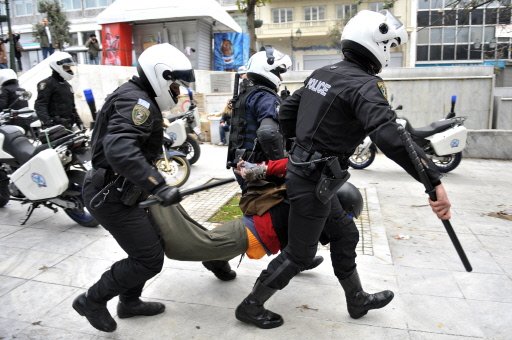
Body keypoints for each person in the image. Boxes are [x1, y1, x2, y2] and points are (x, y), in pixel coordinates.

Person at [235, 10, 452, 329]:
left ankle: (356, 299)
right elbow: (390, 136)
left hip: (314, 177)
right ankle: (251, 305)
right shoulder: (365, 85)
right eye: (388, 46)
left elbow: (287, 114)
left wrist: (303, 147)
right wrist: (432, 182)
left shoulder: (323, 73)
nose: (388, 53)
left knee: (346, 233)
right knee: (299, 254)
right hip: (313, 182)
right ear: (375, 43)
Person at [72, 43, 219, 333]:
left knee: (149, 247)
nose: (177, 91)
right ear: (160, 75)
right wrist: (159, 185)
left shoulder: (137, 96)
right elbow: (119, 148)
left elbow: (123, 137)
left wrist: (155, 142)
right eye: (174, 84)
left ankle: (129, 302)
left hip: (123, 191)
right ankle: (91, 300)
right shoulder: (137, 102)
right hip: (110, 195)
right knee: (149, 259)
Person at [226, 47, 291, 193]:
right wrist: (278, 168)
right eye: (278, 73)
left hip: (242, 162)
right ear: (268, 70)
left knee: (254, 204)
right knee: (273, 207)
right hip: (257, 166)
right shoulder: (265, 97)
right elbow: (268, 133)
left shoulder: (246, 93)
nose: (280, 79)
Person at [34, 51, 84, 130]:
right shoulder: (47, 83)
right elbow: (40, 105)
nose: (69, 70)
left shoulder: (67, 86)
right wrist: (49, 124)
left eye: (69, 67)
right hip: (55, 128)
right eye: (66, 67)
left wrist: (79, 122)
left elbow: (72, 108)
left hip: (68, 126)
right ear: (57, 66)